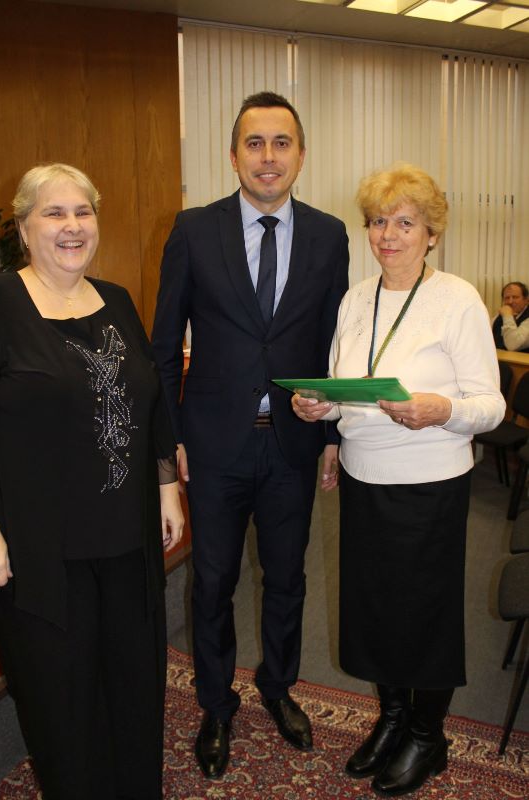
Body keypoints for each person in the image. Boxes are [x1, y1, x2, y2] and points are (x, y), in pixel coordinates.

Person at [152, 91, 349, 779]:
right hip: (212, 445)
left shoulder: (328, 235)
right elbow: (161, 347)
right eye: (254, 143)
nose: (268, 157)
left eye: (281, 142)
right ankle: (215, 704)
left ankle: (278, 685)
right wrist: (169, 444)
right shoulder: (193, 230)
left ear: (301, 154)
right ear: (233, 154)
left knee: (288, 577)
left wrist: (333, 435)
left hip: (293, 444)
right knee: (213, 580)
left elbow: (334, 345)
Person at [293, 163, 505, 797]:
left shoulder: (457, 299)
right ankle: (391, 719)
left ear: (432, 234)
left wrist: (443, 409)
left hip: (429, 482)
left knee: (424, 613)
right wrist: (320, 409)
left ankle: (427, 735)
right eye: (379, 221)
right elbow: (347, 386)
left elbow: (491, 405)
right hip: (365, 477)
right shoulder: (356, 298)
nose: (388, 235)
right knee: (374, 607)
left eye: (405, 223)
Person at [0, 163, 184, 800]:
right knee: (63, 702)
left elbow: (151, 398)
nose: (72, 225)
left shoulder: (117, 300)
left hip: (128, 540)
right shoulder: (1, 303)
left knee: (133, 688)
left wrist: (166, 485)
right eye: (54, 213)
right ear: (24, 228)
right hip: (42, 548)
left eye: (83, 211)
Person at [492, 281, 529, 352]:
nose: (510, 302)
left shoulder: (506, 314)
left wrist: (507, 316)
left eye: (515, 297)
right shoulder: (498, 317)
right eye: (507, 298)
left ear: (526, 300)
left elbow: (512, 345)